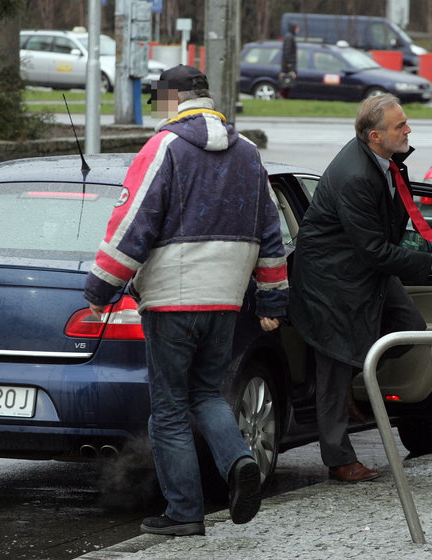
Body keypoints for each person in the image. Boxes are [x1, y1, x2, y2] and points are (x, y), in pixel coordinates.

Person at [84, 64, 289, 536]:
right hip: (225, 300)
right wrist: (272, 303)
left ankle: (184, 513)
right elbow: (270, 232)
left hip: (172, 300)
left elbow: (134, 225)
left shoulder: (164, 148)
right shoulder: (248, 154)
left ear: (171, 100)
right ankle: (239, 460)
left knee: (170, 408)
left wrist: (100, 289)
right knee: (205, 393)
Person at [288, 94, 432, 483]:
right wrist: (431, 262)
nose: (408, 130)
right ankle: (339, 459)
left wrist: (424, 251)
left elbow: (382, 235)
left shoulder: (379, 159)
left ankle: (361, 376)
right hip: (332, 280)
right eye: (400, 126)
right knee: (334, 366)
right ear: (375, 136)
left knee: (407, 328)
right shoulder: (355, 176)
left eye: (405, 122)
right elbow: (373, 250)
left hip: (364, 272)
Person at [279, 22, 299, 99]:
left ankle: (284, 96)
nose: (298, 30)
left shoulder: (290, 37)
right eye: (297, 28)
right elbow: (287, 50)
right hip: (288, 65)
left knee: (289, 81)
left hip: (289, 63)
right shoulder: (289, 37)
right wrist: (289, 62)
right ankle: (282, 95)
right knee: (287, 81)